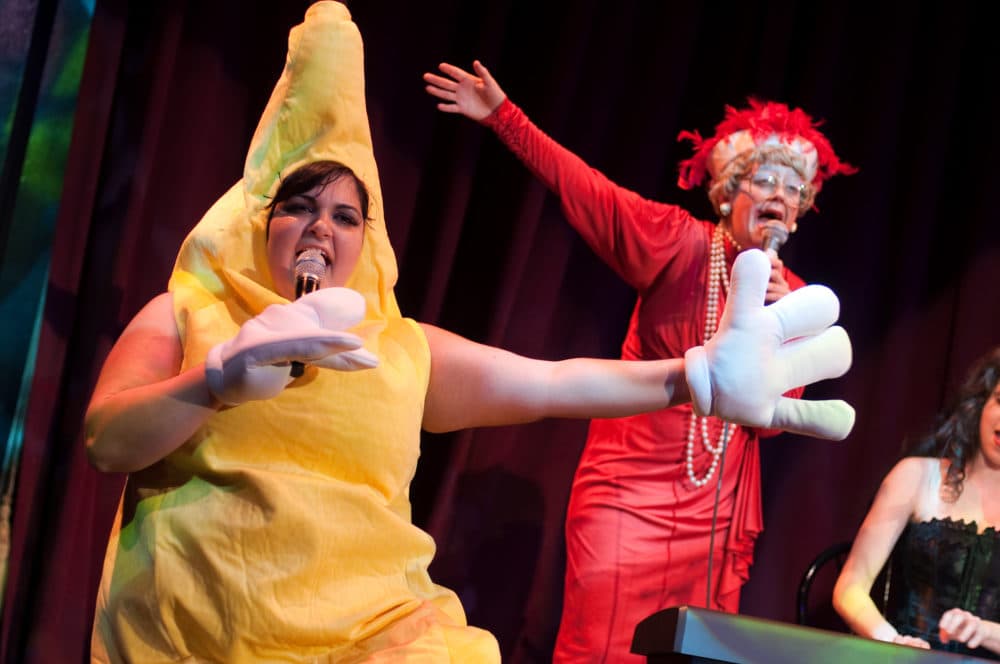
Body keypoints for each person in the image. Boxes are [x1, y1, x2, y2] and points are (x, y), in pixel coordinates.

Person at [84, 4, 854, 662]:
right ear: (259, 221)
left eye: (346, 215)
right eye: (298, 206)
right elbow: (107, 442)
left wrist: (694, 378)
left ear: (368, 243)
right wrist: (213, 382)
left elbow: (551, 382)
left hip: (372, 632)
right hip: (204, 626)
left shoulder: (401, 347)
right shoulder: (189, 312)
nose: (322, 226)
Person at [423, 61, 857, 660]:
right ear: (730, 191)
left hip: (714, 510)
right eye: (764, 181)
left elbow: (766, 419)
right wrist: (506, 118)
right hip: (628, 494)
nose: (779, 198)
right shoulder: (678, 241)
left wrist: (780, 330)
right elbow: (588, 192)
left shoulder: (796, 298)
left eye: (792, 190)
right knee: (602, 647)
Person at [832, 347, 1000, 659]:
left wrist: (985, 631)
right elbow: (850, 587)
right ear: (983, 402)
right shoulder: (916, 475)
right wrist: (892, 640)